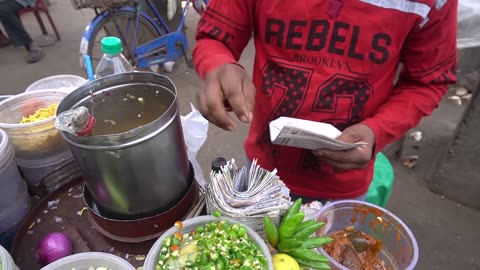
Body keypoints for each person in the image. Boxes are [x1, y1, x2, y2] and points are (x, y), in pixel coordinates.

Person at [193, 0, 458, 203]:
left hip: (343, 186)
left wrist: (378, 130)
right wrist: (218, 65)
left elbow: (428, 80)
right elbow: (216, 36)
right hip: (263, 166)